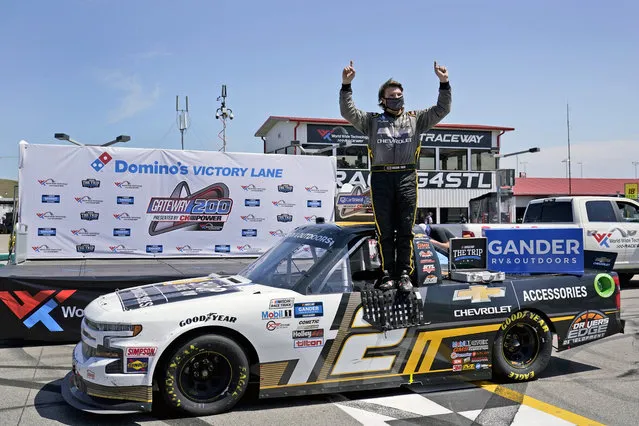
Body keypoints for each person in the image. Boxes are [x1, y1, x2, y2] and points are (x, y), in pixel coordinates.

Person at [340, 60, 452, 292]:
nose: (396, 98)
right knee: (384, 230)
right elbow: (347, 112)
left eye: (399, 94)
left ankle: (404, 274)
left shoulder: (415, 119)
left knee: (405, 230)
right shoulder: (371, 121)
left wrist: (444, 83)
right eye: (392, 95)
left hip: (407, 178)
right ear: (383, 99)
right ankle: (387, 274)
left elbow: (442, 109)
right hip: (381, 178)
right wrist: (346, 85)